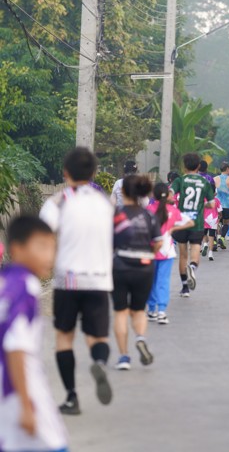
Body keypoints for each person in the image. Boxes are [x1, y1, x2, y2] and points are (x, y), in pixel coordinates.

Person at [40, 147, 114, 415]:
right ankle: (100, 363)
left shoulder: (58, 202)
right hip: (99, 280)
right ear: (94, 173)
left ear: (65, 172)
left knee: (64, 336)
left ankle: (72, 397)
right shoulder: (105, 204)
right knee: (97, 336)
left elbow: (44, 237)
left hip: (68, 280)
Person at [0, 216, 69, 452]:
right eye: (41, 246)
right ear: (17, 248)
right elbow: (15, 346)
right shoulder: (27, 286)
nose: (49, 255)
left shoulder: (6, 280)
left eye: (52, 247)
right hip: (21, 389)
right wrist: (25, 403)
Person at [113, 175, 163, 369]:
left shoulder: (115, 214)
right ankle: (140, 337)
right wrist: (149, 254)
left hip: (120, 265)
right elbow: (158, 242)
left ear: (123, 191)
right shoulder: (149, 215)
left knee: (121, 312)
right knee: (139, 310)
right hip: (144, 266)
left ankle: (124, 357)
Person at [147, 183, 194, 324]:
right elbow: (191, 222)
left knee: (151, 281)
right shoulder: (173, 210)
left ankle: (151, 310)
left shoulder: (148, 210)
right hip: (167, 252)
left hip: (150, 251)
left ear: (153, 195)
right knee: (163, 281)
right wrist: (173, 228)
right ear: (167, 195)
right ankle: (162, 311)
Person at [170, 153, 215, 297]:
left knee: (183, 255)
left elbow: (170, 194)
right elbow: (212, 204)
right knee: (195, 250)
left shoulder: (180, 180)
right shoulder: (204, 182)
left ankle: (185, 288)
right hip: (197, 223)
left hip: (182, 223)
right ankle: (192, 267)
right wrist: (203, 204)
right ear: (198, 166)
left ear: (184, 166)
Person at [214, 162, 229, 249]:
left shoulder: (215, 179)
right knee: (226, 222)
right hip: (227, 204)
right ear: (227, 169)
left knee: (216, 222)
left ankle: (214, 240)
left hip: (217, 205)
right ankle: (222, 238)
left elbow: (213, 191)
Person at [202, 185, 222, 261]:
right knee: (211, 236)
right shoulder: (217, 200)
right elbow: (220, 211)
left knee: (204, 233)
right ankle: (210, 253)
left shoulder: (203, 200)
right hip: (214, 220)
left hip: (204, 219)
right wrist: (219, 217)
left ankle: (205, 244)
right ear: (214, 193)